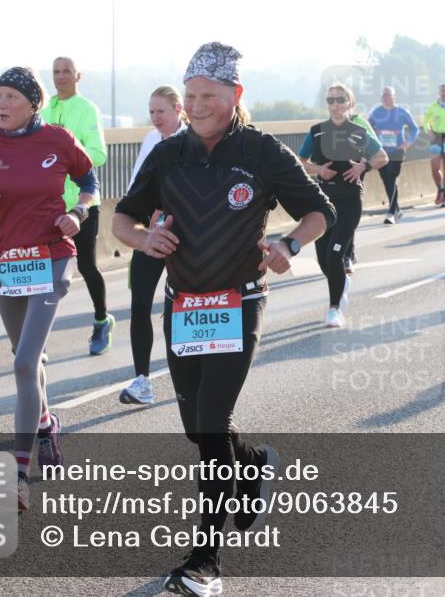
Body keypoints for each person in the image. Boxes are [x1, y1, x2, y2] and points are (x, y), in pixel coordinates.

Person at [112, 42, 335, 596]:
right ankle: (253, 462)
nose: (196, 106)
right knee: (198, 428)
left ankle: (204, 562)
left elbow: (320, 211)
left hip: (239, 302)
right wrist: (144, 238)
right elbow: (122, 218)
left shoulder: (261, 151)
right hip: (184, 306)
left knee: (212, 425)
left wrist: (288, 243)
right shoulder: (169, 154)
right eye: (189, 96)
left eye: (207, 96)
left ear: (235, 95)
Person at [0, 67, 98, 509]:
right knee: (25, 357)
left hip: (52, 256)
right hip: (5, 264)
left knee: (26, 362)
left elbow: (89, 182)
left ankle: (19, 475)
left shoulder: (58, 140)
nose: (1, 104)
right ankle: (45, 422)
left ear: (32, 103)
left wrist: (78, 213)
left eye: (11, 96)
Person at [39, 56, 114, 355]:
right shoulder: (44, 110)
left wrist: (64, 158)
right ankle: (37, 340)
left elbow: (98, 153)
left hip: (82, 204)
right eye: (56, 72)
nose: (61, 76)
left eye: (67, 71)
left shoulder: (87, 109)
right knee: (43, 273)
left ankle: (101, 321)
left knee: (85, 265)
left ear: (77, 76)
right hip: (48, 206)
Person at [119, 86, 188, 405]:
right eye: (151, 112)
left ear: (178, 109)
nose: (156, 118)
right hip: (150, 234)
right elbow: (136, 186)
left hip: (183, 237)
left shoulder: (192, 140)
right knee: (140, 305)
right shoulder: (150, 139)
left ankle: (191, 378)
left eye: (161, 111)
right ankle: (142, 381)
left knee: (180, 307)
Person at [300, 83, 388, 327]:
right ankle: (341, 285)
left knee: (335, 254)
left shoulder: (358, 131)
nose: (335, 105)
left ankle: (335, 309)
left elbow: (382, 157)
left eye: (340, 100)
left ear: (350, 104)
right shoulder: (317, 132)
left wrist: (362, 167)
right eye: (331, 100)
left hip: (349, 201)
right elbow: (300, 161)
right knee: (323, 259)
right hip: (323, 202)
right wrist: (318, 170)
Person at [368, 86, 419, 224]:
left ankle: (391, 212)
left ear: (394, 97)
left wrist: (407, 143)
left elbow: (415, 129)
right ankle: (397, 209)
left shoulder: (402, 112)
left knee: (391, 176)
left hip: (397, 151)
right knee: (387, 181)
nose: (385, 97)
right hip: (380, 152)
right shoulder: (376, 113)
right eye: (383, 95)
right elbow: (368, 128)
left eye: (388, 95)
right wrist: (372, 142)